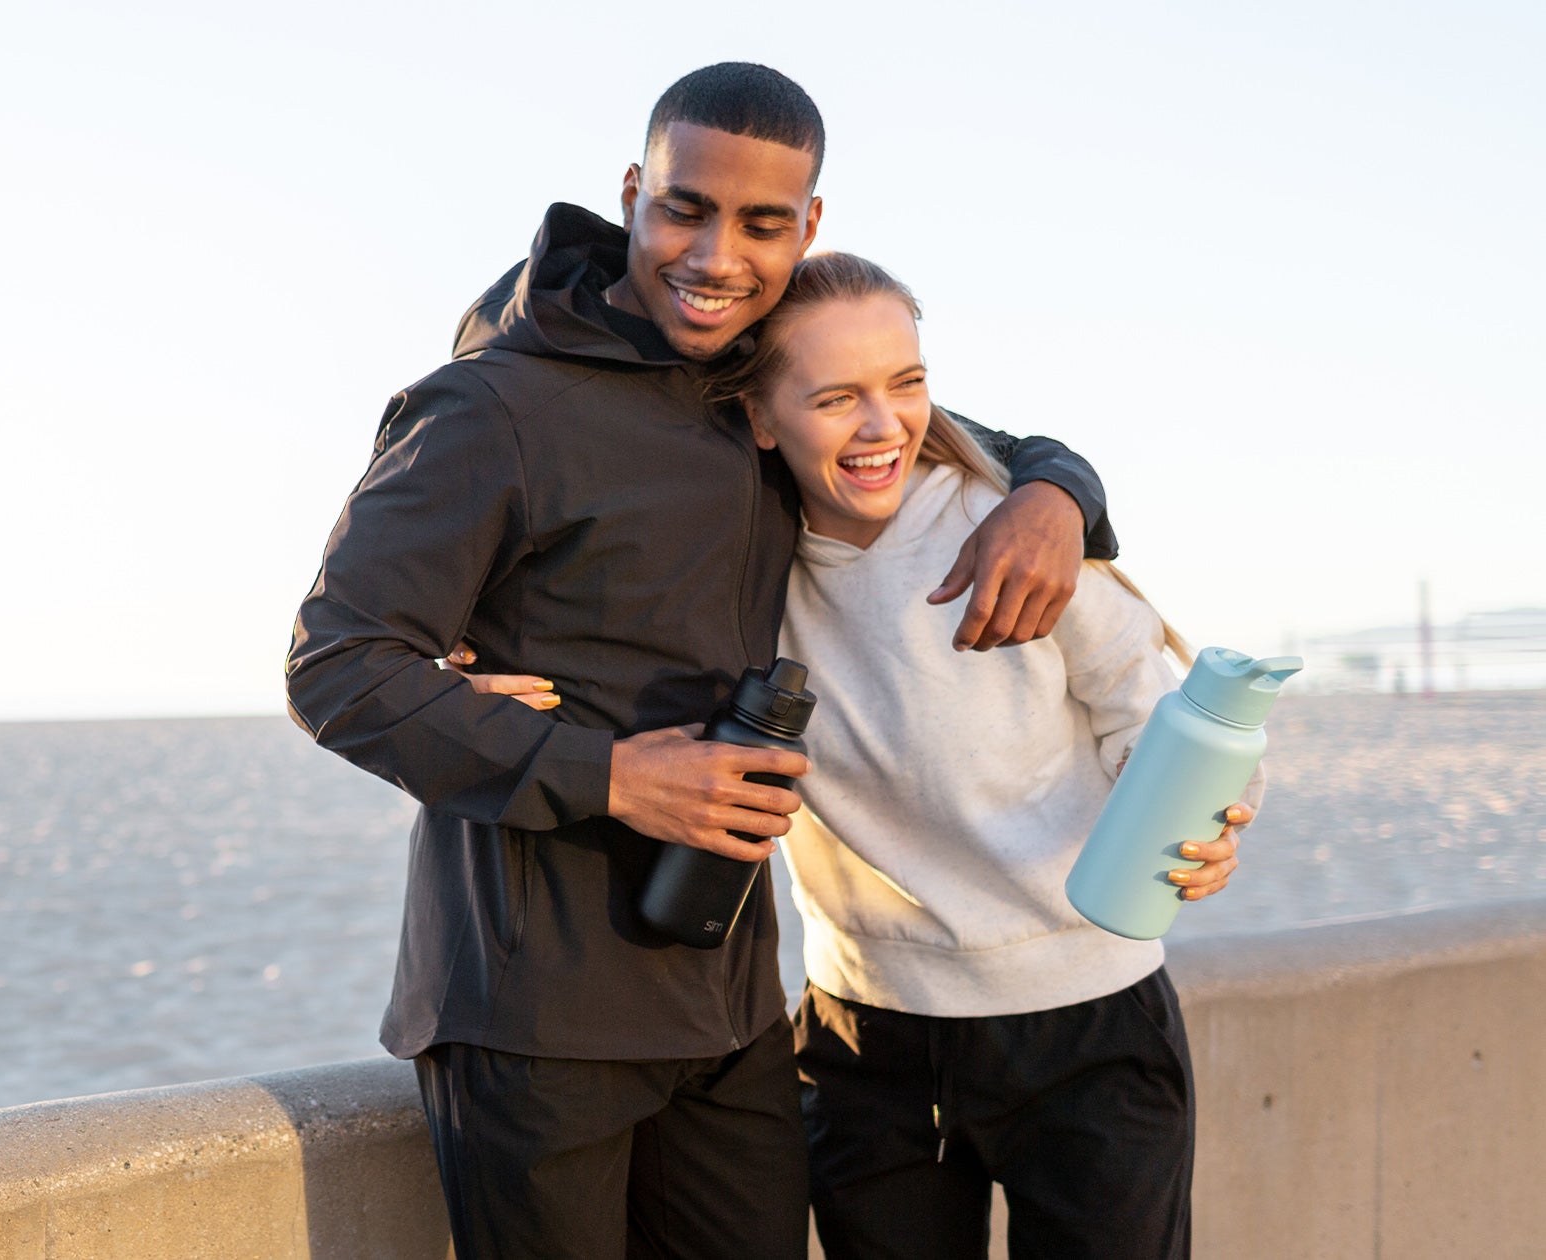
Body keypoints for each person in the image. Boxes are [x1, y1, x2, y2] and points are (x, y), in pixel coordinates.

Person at [286, 65, 1118, 1260]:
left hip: (730, 1014)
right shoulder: (490, 406)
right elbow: (338, 664)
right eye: (685, 208)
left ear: (808, 229)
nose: (716, 255)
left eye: (762, 223)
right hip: (533, 1015)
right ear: (631, 193)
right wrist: (613, 776)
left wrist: (1056, 495)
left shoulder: (765, 385)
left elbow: (974, 442)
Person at [472, 252, 1257, 1258]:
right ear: (761, 419)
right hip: (865, 1038)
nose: (883, 424)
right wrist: (468, 650)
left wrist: (1212, 824)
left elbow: (1159, 719)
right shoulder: (735, 568)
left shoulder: (1008, 529)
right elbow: (590, 608)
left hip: (1087, 1023)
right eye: (837, 396)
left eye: (908, 383)